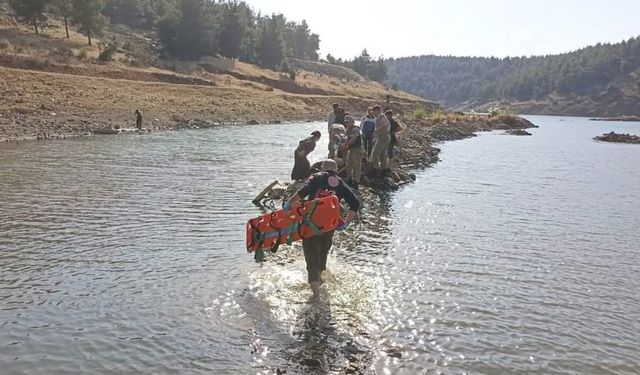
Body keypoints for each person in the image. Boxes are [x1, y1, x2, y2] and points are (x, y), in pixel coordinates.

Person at [283, 159, 361, 297]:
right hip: (329, 226)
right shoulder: (340, 183)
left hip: (311, 224)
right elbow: (355, 204)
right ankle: (320, 283)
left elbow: (302, 192)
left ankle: (316, 296)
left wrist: (289, 203)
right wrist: (345, 223)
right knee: (323, 253)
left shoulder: (317, 178)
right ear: (335, 170)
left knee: (311, 256)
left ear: (322, 168)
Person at [343, 115, 365, 189]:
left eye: (348, 122)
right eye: (345, 122)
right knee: (348, 165)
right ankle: (349, 180)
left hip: (357, 149)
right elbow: (346, 139)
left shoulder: (355, 129)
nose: (346, 123)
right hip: (351, 149)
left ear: (352, 122)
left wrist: (345, 145)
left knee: (356, 166)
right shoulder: (347, 130)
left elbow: (353, 139)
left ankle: (356, 182)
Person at [370, 105, 391, 173]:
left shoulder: (381, 116)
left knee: (375, 153)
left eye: (374, 112)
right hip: (385, 137)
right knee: (382, 154)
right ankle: (384, 168)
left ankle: (376, 168)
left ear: (378, 110)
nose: (373, 113)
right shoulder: (381, 116)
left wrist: (377, 130)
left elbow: (384, 124)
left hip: (383, 137)